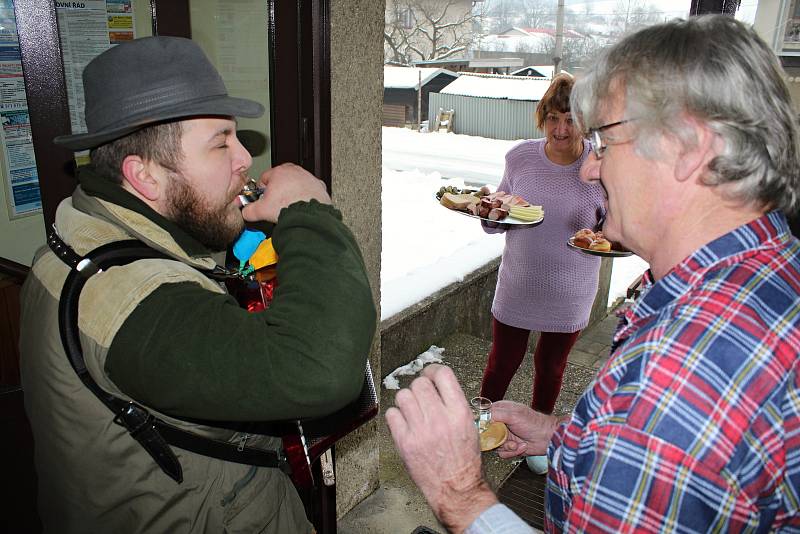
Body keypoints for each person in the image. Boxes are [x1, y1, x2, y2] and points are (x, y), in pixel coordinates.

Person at [387, 15, 800, 533]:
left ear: (689, 148)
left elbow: (675, 421)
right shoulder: (760, 275)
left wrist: (459, 492)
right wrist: (568, 438)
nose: (588, 167)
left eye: (602, 142)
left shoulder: (684, 367)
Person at [19, 36, 376, 533]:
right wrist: (309, 213)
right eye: (221, 141)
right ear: (145, 176)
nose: (244, 158)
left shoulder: (86, 232)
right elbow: (319, 370)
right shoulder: (131, 298)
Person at [479, 73, 604, 475]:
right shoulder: (520, 158)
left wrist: (603, 234)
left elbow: (613, 228)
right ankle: (480, 424)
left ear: (584, 121)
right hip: (519, 283)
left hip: (571, 290)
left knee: (550, 367)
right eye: (552, 118)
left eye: (569, 119)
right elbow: (501, 213)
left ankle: (537, 439)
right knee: (502, 362)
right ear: (542, 118)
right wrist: (488, 214)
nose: (561, 129)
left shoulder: (599, 167)